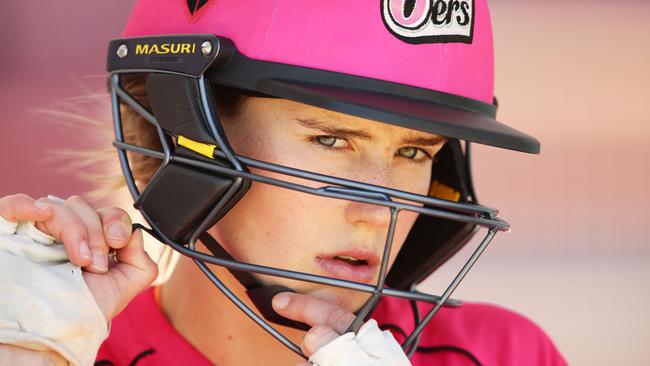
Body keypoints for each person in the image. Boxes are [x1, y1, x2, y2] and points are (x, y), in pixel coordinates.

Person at [0, 1, 568, 365]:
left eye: (415, 151)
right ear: (186, 140)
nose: (378, 211)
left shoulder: (501, 353)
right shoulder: (72, 351)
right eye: (330, 141)